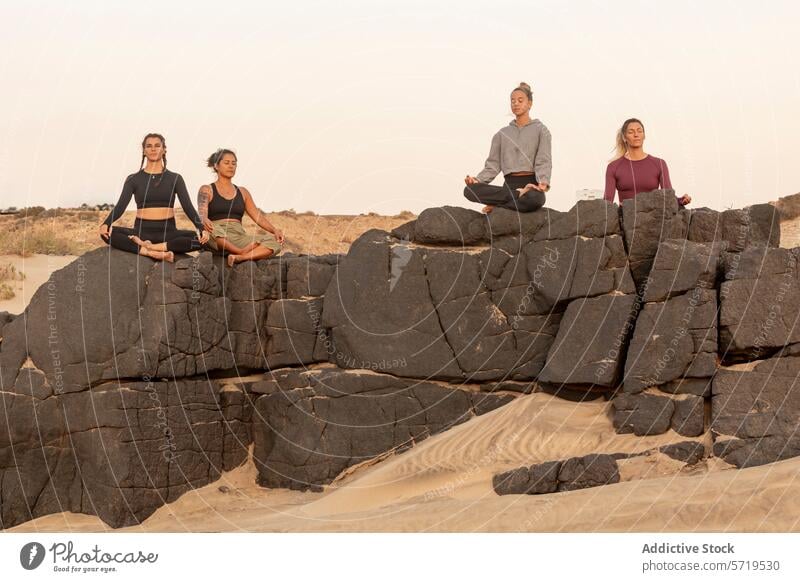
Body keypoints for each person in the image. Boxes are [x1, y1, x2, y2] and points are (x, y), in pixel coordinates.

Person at [98, 133, 208, 261]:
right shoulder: (133, 179)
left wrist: (201, 228)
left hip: (169, 232)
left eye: (157, 145)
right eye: (149, 146)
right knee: (108, 234)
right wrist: (106, 224)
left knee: (200, 240)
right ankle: (150, 252)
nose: (153, 149)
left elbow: (188, 207)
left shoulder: (175, 178)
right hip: (141, 232)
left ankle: (153, 247)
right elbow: (121, 206)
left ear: (164, 150)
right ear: (144, 151)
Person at [463, 82, 551, 214]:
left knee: (536, 198)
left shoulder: (541, 131)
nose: (516, 103)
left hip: (530, 185)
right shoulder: (502, 134)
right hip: (509, 187)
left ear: (530, 104)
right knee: (469, 190)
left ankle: (498, 206)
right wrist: (477, 180)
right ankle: (515, 197)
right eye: (513, 101)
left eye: (520, 100)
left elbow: (544, 160)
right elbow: (493, 165)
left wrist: (543, 181)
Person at [198, 149, 284, 267]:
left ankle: (241, 257)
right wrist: (204, 219)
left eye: (234, 163)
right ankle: (240, 252)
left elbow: (257, 216)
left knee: (275, 242)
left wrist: (274, 230)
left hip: (239, 236)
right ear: (216, 166)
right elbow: (202, 212)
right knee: (212, 228)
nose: (231, 166)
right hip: (216, 235)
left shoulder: (243, 192)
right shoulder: (207, 189)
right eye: (227, 163)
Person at [604, 118, 692, 206]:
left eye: (639, 131)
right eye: (631, 132)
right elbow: (607, 201)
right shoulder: (613, 167)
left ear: (644, 135)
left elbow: (668, 196)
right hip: (626, 217)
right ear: (624, 137)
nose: (636, 135)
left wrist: (681, 200)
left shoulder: (659, 164)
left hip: (652, 217)